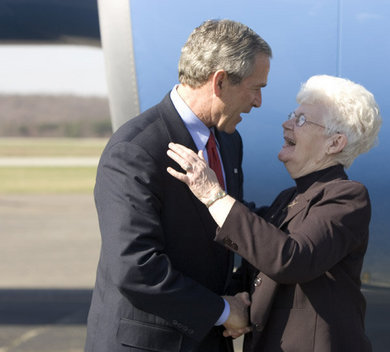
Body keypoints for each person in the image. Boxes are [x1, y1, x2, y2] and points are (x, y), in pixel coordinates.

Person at [85, 19, 271, 352]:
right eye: (256, 87)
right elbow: (136, 267)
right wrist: (224, 311)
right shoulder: (136, 150)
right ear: (220, 81)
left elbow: (225, 226)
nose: (257, 101)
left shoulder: (229, 142)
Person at [166, 75, 382, 351]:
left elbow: (291, 258)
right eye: (293, 115)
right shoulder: (289, 198)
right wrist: (225, 306)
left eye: (301, 120)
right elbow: (256, 268)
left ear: (334, 143)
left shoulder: (347, 197)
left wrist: (213, 195)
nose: (286, 123)